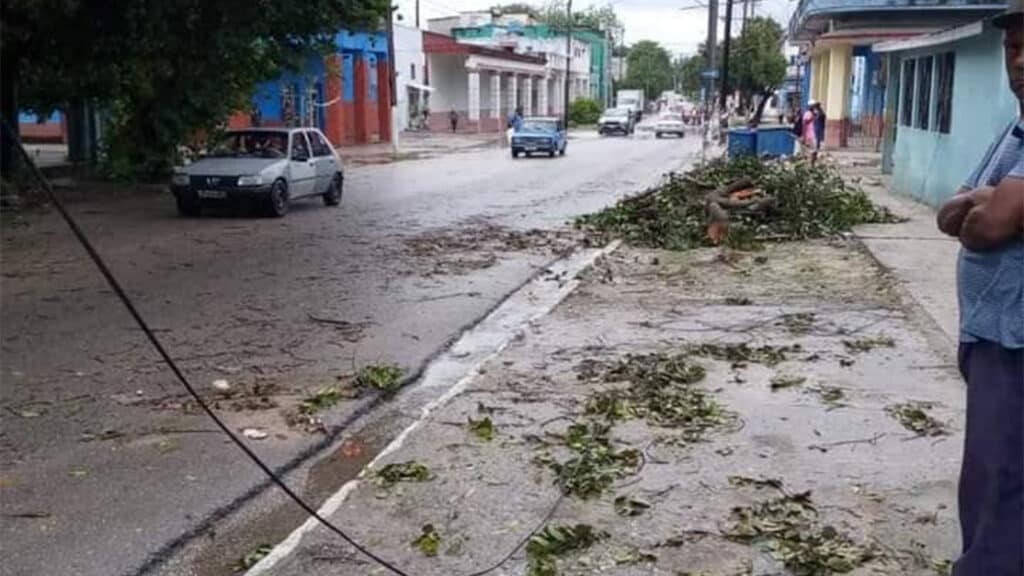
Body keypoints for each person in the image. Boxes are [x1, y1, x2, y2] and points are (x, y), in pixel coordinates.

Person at [935, 3, 1024, 574]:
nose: (1020, 60)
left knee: (1001, 478)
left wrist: (990, 205)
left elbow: (988, 226)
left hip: (1017, 343)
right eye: (1012, 48)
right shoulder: (1014, 127)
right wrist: (987, 201)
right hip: (992, 334)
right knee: (989, 476)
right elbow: (950, 214)